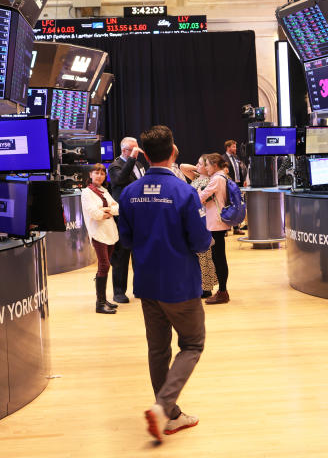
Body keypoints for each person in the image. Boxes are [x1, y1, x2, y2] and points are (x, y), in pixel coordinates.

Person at [117, 125, 211, 443]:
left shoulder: (129, 194)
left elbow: (126, 240)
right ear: (173, 152)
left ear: (144, 154)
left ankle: (169, 416)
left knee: (158, 350)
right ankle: (163, 408)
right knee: (192, 344)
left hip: (145, 283)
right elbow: (201, 242)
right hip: (180, 285)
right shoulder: (185, 193)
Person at [108, 137, 148, 303]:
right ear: (124, 150)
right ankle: (119, 291)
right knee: (121, 254)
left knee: (139, 253)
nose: (137, 151)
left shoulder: (139, 165)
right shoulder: (115, 166)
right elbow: (120, 180)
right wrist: (131, 159)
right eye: (133, 149)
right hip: (123, 215)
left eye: (137, 148)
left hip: (139, 214)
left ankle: (140, 287)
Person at [81, 163, 120, 314]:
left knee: (105, 266)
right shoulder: (86, 193)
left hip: (109, 232)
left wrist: (106, 210)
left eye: (102, 174)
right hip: (98, 233)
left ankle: (103, 299)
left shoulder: (104, 190)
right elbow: (95, 214)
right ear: (90, 175)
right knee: (104, 266)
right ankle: (100, 303)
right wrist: (106, 211)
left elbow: (118, 208)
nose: (99, 176)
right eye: (96, 173)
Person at [183, 155, 218, 298]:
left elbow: (202, 200)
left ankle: (206, 287)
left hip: (205, 220)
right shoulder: (197, 177)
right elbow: (182, 167)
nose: (196, 165)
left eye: (200, 163)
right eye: (196, 163)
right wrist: (199, 167)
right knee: (197, 256)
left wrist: (204, 168)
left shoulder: (210, 181)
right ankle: (198, 285)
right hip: (195, 220)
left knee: (205, 255)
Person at [199, 153, 232, 305]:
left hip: (216, 222)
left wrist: (199, 191)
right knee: (218, 257)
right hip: (218, 221)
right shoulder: (222, 177)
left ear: (214, 165)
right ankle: (222, 291)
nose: (205, 167)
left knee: (219, 258)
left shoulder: (217, 179)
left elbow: (201, 197)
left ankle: (223, 292)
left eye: (207, 165)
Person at [223, 140, 247, 235]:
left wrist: (243, 180)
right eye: (233, 147)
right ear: (228, 148)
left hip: (238, 184)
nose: (235, 149)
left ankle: (237, 228)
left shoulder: (236, 157)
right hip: (229, 184)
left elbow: (240, 169)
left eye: (235, 147)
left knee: (237, 205)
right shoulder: (223, 158)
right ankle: (225, 229)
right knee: (228, 206)